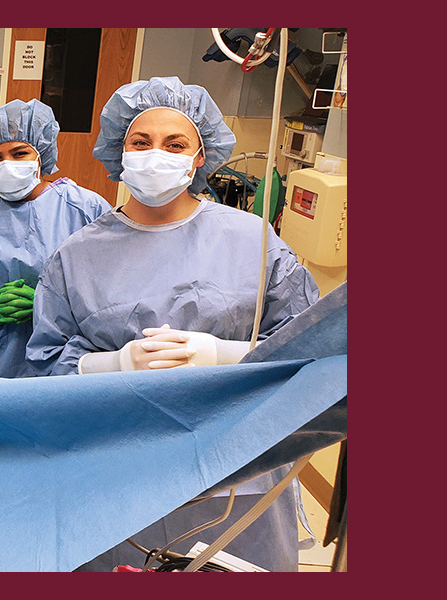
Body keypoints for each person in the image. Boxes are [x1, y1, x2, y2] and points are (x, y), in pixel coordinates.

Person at [25, 76, 320, 572]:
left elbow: (308, 343)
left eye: (174, 143)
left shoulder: (254, 240)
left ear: (200, 156)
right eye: (141, 142)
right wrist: (112, 364)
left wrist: (225, 356)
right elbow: (43, 364)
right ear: (121, 150)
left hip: (235, 468)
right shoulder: (77, 255)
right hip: (120, 467)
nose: (155, 154)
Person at [0, 99, 109, 378]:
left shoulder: (85, 209)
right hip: (1, 364)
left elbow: (113, 291)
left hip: (74, 363)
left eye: (19, 154)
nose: (7, 165)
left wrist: (49, 306)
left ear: (41, 156)